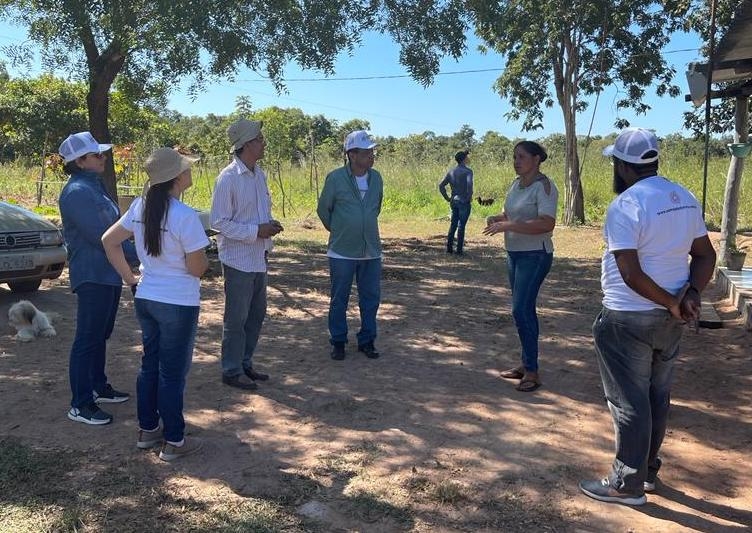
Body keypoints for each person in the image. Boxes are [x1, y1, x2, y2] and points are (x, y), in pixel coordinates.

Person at [578, 128, 715, 505]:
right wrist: (689, 294)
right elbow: (706, 255)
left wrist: (675, 302)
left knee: (628, 402)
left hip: (628, 317)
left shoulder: (626, 205)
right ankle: (648, 471)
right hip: (669, 322)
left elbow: (631, 274)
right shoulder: (683, 198)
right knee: (656, 396)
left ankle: (627, 485)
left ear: (623, 167)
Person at [102, 148, 209, 461]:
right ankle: (175, 440)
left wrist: (130, 279)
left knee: (150, 364)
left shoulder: (140, 207)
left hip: (147, 296)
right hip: (178, 302)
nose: (190, 172)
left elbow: (109, 241)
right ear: (177, 177)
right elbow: (197, 269)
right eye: (186, 168)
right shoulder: (185, 216)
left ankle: (148, 429)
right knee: (172, 373)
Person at [58, 131, 137, 425]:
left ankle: (97, 386)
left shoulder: (94, 187)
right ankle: (80, 403)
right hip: (92, 274)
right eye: (97, 155)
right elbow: (101, 237)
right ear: (80, 161)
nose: (104, 158)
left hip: (107, 273)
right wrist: (141, 254)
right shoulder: (77, 192)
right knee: (87, 338)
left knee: (100, 335)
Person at [211, 119, 283, 391]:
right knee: (236, 318)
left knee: (256, 314)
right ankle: (230, 370)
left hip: (258, 256)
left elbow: (257, 213)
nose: (264, 142)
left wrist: (269, 225)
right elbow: (219, 222)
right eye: (260, 138)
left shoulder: (258, 174)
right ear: (246, 144)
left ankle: (244, 362)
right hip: (238, 259)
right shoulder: (228, 178)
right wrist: (256, 231)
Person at [483, 141, 558, 392]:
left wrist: (510, 226)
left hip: (535, 255)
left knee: (520, 310)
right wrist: (498, 218)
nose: (516, 161)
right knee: (523, 310)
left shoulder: (545, 187)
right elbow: (509, 214)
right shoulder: (515, 185)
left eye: (522, 157)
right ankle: (526, 364)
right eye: (514, 157)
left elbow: (547, 224)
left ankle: (532, 371)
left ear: (536, 159)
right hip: (514, 254)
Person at [317, 130, 384, 361]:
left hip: (371, 250)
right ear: (351, 155)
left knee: (371, 298)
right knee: (339, 298)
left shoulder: (377, 179)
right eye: (366, 152)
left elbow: (377, 207)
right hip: (342, 251)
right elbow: (323, 209)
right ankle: (338, 341)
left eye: (372, 152)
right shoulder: (335, 178)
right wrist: (338, 230)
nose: (371, 156)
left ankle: (367, 340)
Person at [439, 150, 473, 254]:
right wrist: (468, 198)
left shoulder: (451, 172)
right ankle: (459, 250)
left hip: (454, 200)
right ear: (464, 159)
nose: (468, 158)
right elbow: (469, 187)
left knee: (453, 224)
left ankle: (449, 248)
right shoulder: (468, 171)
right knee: (461, 226)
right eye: (467, 157)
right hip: (463, 201)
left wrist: (447, 198)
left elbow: (441, 186)